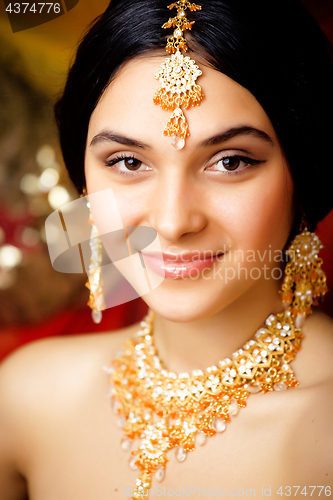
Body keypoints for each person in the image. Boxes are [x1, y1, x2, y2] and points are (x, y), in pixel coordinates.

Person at [0, 0, 333, 498]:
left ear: (301, 176)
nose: (173, 223)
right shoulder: (27, 398)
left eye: (231, 161)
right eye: (129, 162)